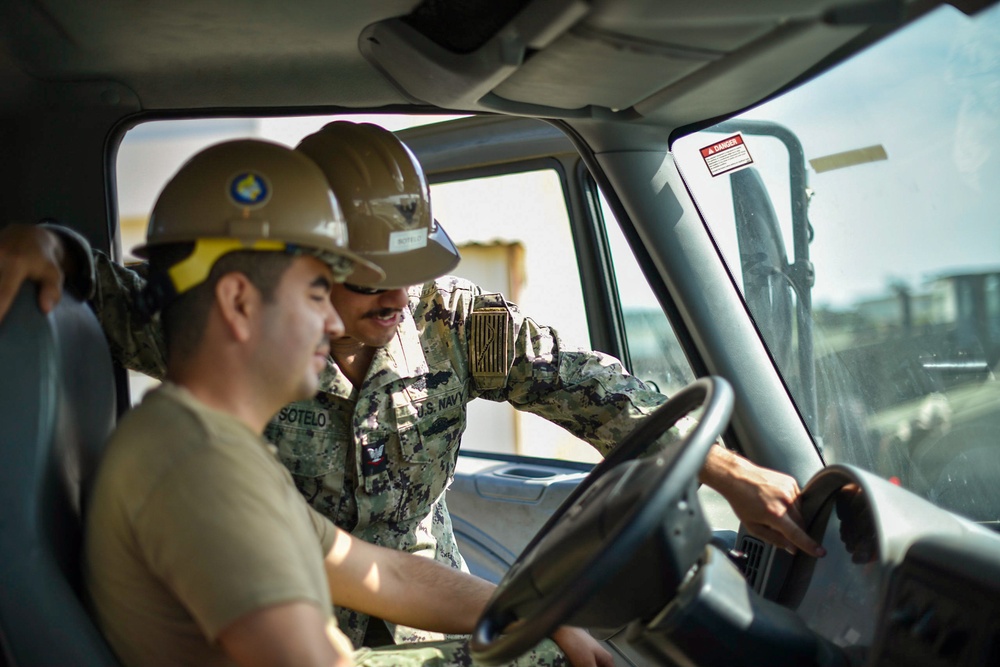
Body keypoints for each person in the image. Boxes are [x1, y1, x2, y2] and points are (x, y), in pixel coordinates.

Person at [0, 121, 823, 648]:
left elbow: (590, 389)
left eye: (411, 275)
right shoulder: (208, 410)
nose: (394, 300)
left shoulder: (452, 323)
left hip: (421, 598)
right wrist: (54, 249)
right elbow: (137, 293)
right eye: (350, 285)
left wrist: (730, 471)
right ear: (298, 273)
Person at [82, 138, 610, 667]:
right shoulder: (196, 465)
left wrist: (537, 616)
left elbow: (387, 574)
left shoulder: (224, 451)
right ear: (239, 302)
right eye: (318, 292)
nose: (332, 322)